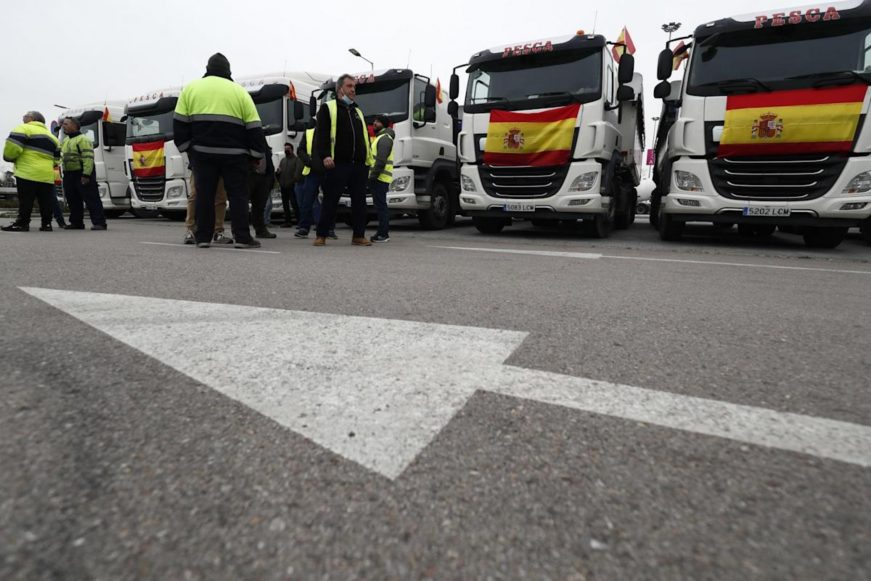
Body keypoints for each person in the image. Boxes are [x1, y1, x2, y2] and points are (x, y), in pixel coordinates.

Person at [173, 52, 265, 249]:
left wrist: (189, 150)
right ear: (228, 71)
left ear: (207, 69)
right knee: (238, 195)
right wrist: (256, 155)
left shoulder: (191, 89)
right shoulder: (240, 92)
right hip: (235, 155)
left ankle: (203, 237)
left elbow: (179, 124)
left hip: (203, 154)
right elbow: (254, 127)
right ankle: (242, 237)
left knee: (204, 195)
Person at [313, 74, 373, 247]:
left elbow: (364, 138)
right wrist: (325, 155)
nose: (353, 89)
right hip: (337, 163)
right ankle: (321, 235)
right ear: (340, 89)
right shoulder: (328, 108)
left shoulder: (357, 111)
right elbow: (322, 134)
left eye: (354, 86)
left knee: (360, 202)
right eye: (349, 86)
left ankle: (358, 236)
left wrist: (366, 161)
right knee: (331, 199)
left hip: (359, 165)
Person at [2, 111, 60, 232]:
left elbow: (12, 148)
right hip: (46, 174)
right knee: (45, 201)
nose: (23, 118)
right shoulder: (53, 138)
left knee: (26, 200)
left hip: (27, 172)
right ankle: (46, 224)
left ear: (32, 118)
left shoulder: (23, 128)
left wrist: (9, 158)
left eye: (25, 116)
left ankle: (22, 224)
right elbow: (57, 159)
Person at [60, 117, 107, 230]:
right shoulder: (66, 140)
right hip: (69, 174)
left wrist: (86, 174)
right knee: (73, 200)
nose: (63, 126)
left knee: (91, 199)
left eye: (66, 124)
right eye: (63, 124)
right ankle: (76, 223)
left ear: (74, 126)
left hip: (82, 173)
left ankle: (99, 223)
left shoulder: (83, 139)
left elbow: (88, 158)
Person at [183, 172, 232, 244]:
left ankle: (218, 231)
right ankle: (190, 229)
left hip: (221, 164)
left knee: (220, 197)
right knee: (195, 194)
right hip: (200, 164)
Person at [368, 114, 395, 243]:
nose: (374, 123)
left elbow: (381, 160)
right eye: (374, 121)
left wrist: (373, 176)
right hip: (380, 178)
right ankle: (381, 232)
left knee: (381, 207)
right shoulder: (380, 138)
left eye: (377, 122)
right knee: (380, 206)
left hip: (380, 178)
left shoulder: (384, 138)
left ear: (383, 124)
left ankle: (383, 234)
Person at [248, 147, 276, 239]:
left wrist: (270, 177)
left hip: (263, 176)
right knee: (242, 204)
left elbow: (269, 160)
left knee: (260, 206)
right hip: (249, 175)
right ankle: (240, 232)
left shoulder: (263, 143)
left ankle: (260, 230)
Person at [276, 142, 301, 227]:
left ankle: (300, 221)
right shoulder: (283, 160)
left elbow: (297, 173)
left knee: (294, 204)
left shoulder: (296, 160)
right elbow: (279, 172)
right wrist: (278, 173)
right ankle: (287, 221)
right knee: (285, 205)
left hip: (292, 185)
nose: (286, 150)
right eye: (285, 149)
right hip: (283, 186)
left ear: (292, 149)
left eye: (288, 149)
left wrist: (293, 181)